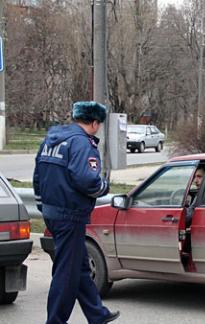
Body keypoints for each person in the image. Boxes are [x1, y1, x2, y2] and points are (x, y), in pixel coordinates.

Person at [33, 101, 120, 324]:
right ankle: (55, 321)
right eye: (98, 124)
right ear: (93, 122)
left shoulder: (51, 140)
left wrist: (44, 206)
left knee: (79, 266)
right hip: (70, 215)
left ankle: (97, 314)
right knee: (66, 274)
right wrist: (104, 187)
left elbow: (37, 176)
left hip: (53, 212)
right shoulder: (81, 144)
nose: (98, 127)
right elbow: (87, 179)